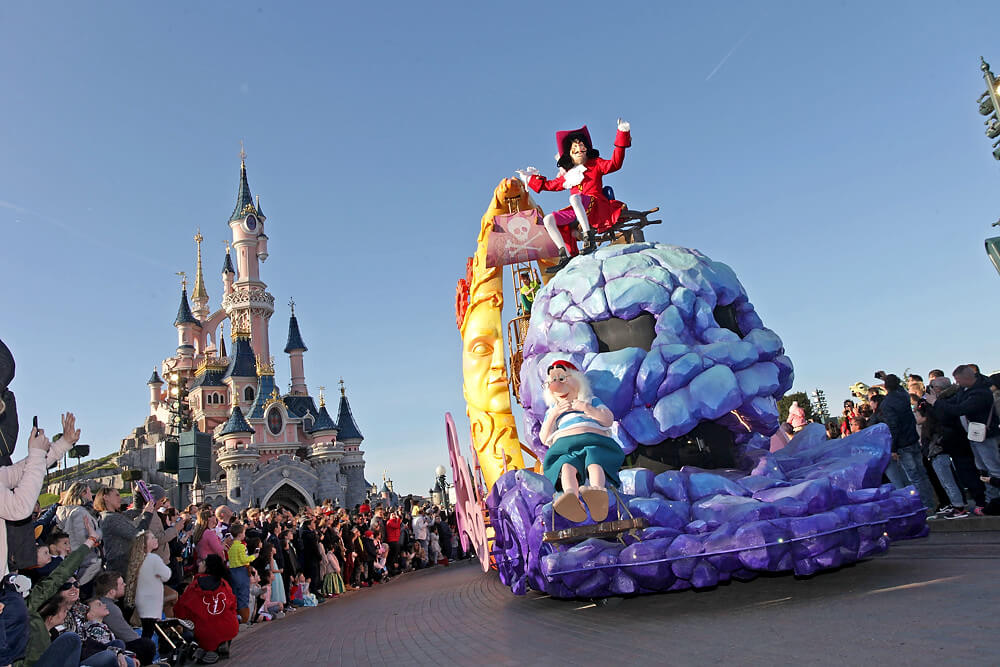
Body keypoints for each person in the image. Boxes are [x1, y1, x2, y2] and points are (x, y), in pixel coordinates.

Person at [517, 119, 632, 271]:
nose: (579, 149)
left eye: (581, 146)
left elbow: (615, 163)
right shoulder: (569, 175)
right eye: (575, 147)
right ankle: (564, 254)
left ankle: (588, 237)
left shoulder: (595, 164)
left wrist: (622, 133)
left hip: (596, 206)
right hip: (578, 210)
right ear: (569, 154)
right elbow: (548, 185)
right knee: (548, 219)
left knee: (574, 198)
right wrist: (528, 178)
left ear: (587, 149)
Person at [539, 360, 622, 523]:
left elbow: (608, 419)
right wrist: (554, 414)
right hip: (566, 447)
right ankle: (571, 498)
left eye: (562, 378)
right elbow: (544, 437)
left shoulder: (590, 400)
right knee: (566, 466)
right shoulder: (554, 410)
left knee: (594, 461)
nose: (556, 386)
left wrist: (587, 408)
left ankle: (598, 493)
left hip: (593, 441)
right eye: (552, 381)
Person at [871, 373, 937, 513]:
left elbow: (894, 426)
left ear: (886, 387)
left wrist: (893, 448)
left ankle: (925, 506)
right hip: (912, 438)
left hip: (902, 443)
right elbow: (899, 387)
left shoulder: (887, 403)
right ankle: (931, 502)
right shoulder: (904, 395)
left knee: (914, 477)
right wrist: (885, 378)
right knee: (922, 474)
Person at [936, 365, 1000, 507]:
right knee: (983, 468)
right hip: (974, 435)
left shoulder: (980, 392)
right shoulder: (965, 391)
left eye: (958, 380)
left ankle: (995, 499)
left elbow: (960, 409)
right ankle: (992, 500)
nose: (957, 383)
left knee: (993, 467)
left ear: (966, 378)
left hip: (985, 434)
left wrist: (936, 402)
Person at [174, 554, 238, 663]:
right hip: (228, 625)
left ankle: (208, 648)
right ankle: (219, 645)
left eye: (203, 562)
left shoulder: (194, 586)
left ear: (207, 567)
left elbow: (181, 608)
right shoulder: (224, 584)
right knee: (226, 621)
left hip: (205, 629)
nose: (200, 563)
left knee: (198, 628)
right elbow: (233, 604)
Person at [93, 571, 156, 666]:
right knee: (147, 644)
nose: (125, 585)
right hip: (113, 645)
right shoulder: (110, 608)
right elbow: (129, 636)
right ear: (112, 592)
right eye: (122, 584)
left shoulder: (103, 602)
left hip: (113, 642)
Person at [124, 529, 172, 639]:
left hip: (140, 600)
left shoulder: (136, 559)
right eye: (152, 538)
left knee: (146, 631)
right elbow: (167, 575)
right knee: (148, 633)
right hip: (151, 602)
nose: (156, 539)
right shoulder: (153, 559)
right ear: (145, 543)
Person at [96, 487, 152, 577]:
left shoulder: (114, 516)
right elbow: (138, 535)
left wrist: (137, 492)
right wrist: (148, 514)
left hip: (122, 566)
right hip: (120, 568)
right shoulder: (111, 518)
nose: (120, 498)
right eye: (117, 495)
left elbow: (136, 510)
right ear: (105, 497)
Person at [226, 522, 254, 625]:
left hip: (233, 572)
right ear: (239, 534)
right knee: (243, 595)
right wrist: (254, 556)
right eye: (243, 533)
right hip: (241, 571)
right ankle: (244, 618)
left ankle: (235, 617)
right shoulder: (241, 546)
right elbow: (243, 559)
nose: (244, 535)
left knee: (235, 594)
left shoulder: (231, 547)